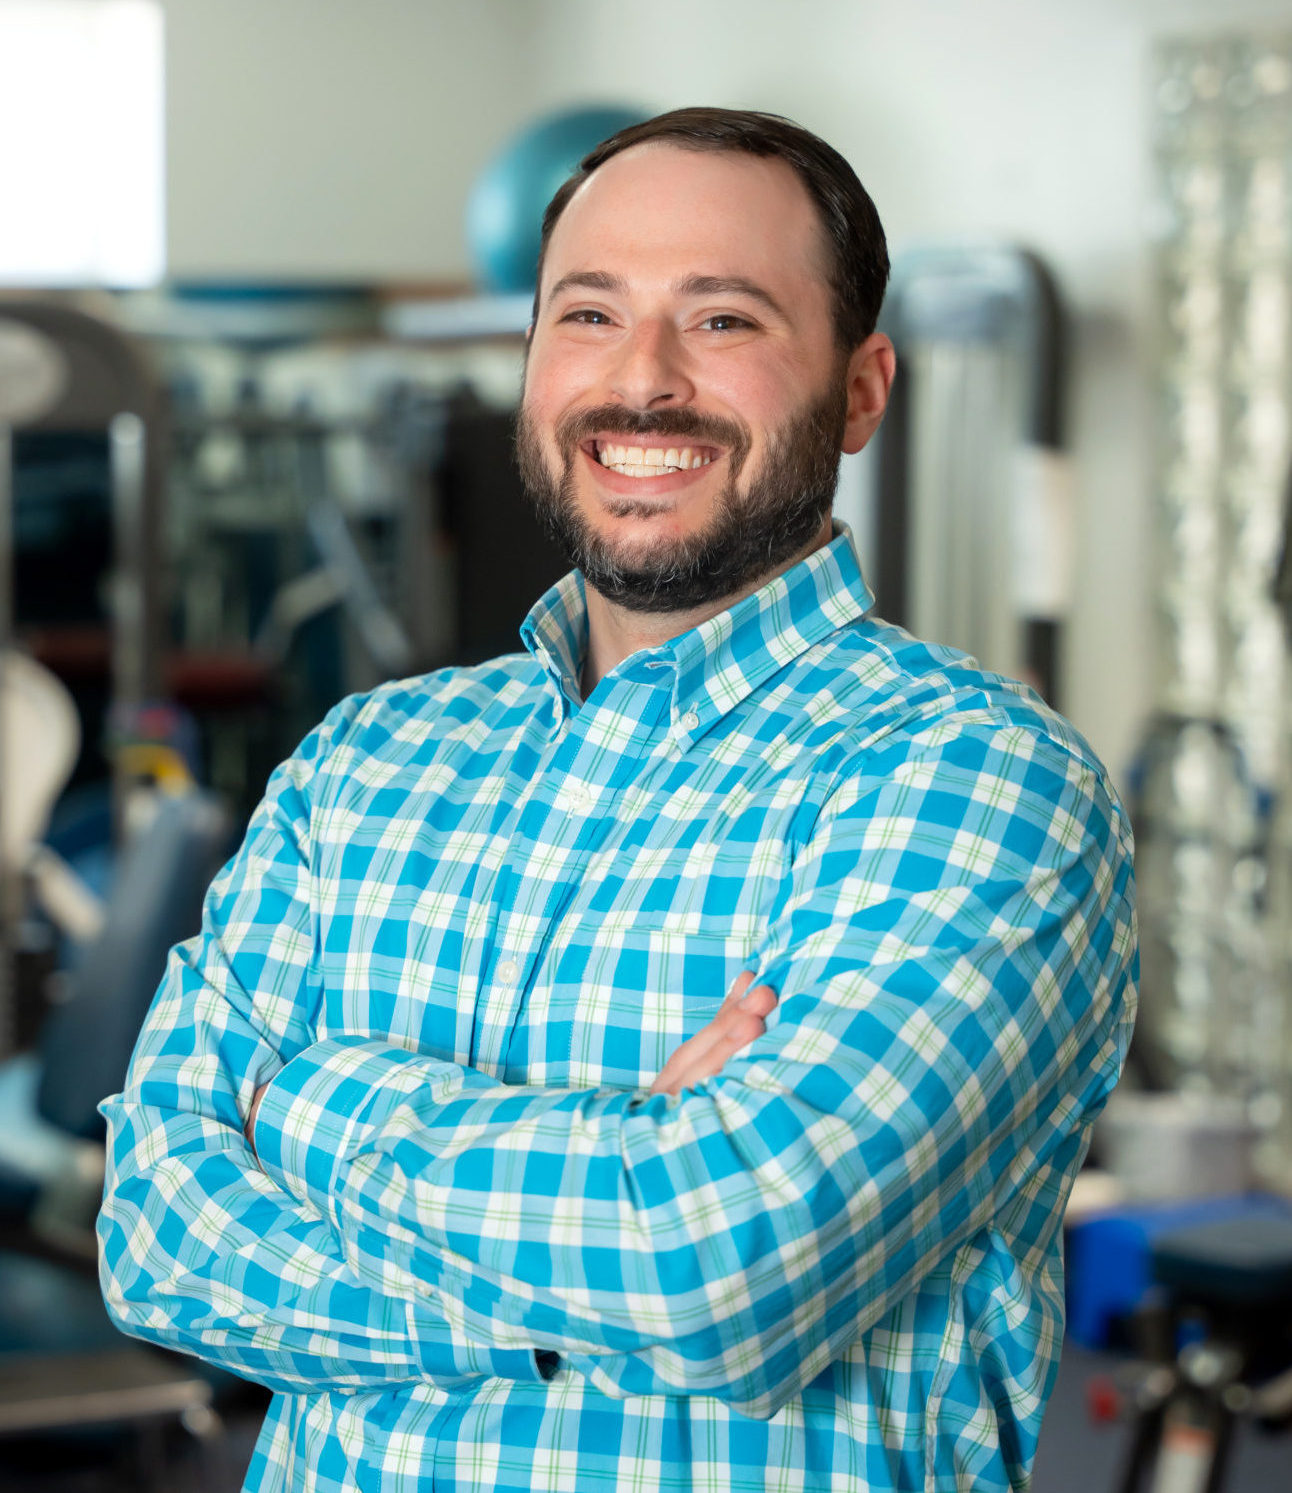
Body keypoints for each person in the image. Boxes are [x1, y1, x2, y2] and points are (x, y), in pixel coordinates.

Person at [98, 107, 1137, 1493]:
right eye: (587, 313)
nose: (640, 381)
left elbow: (719, 1267)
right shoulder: (365, 765)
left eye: (722, 321)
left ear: (861, 388)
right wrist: (604, 1216)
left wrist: (309, 1104)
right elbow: (158, 1239)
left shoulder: (976, 783)